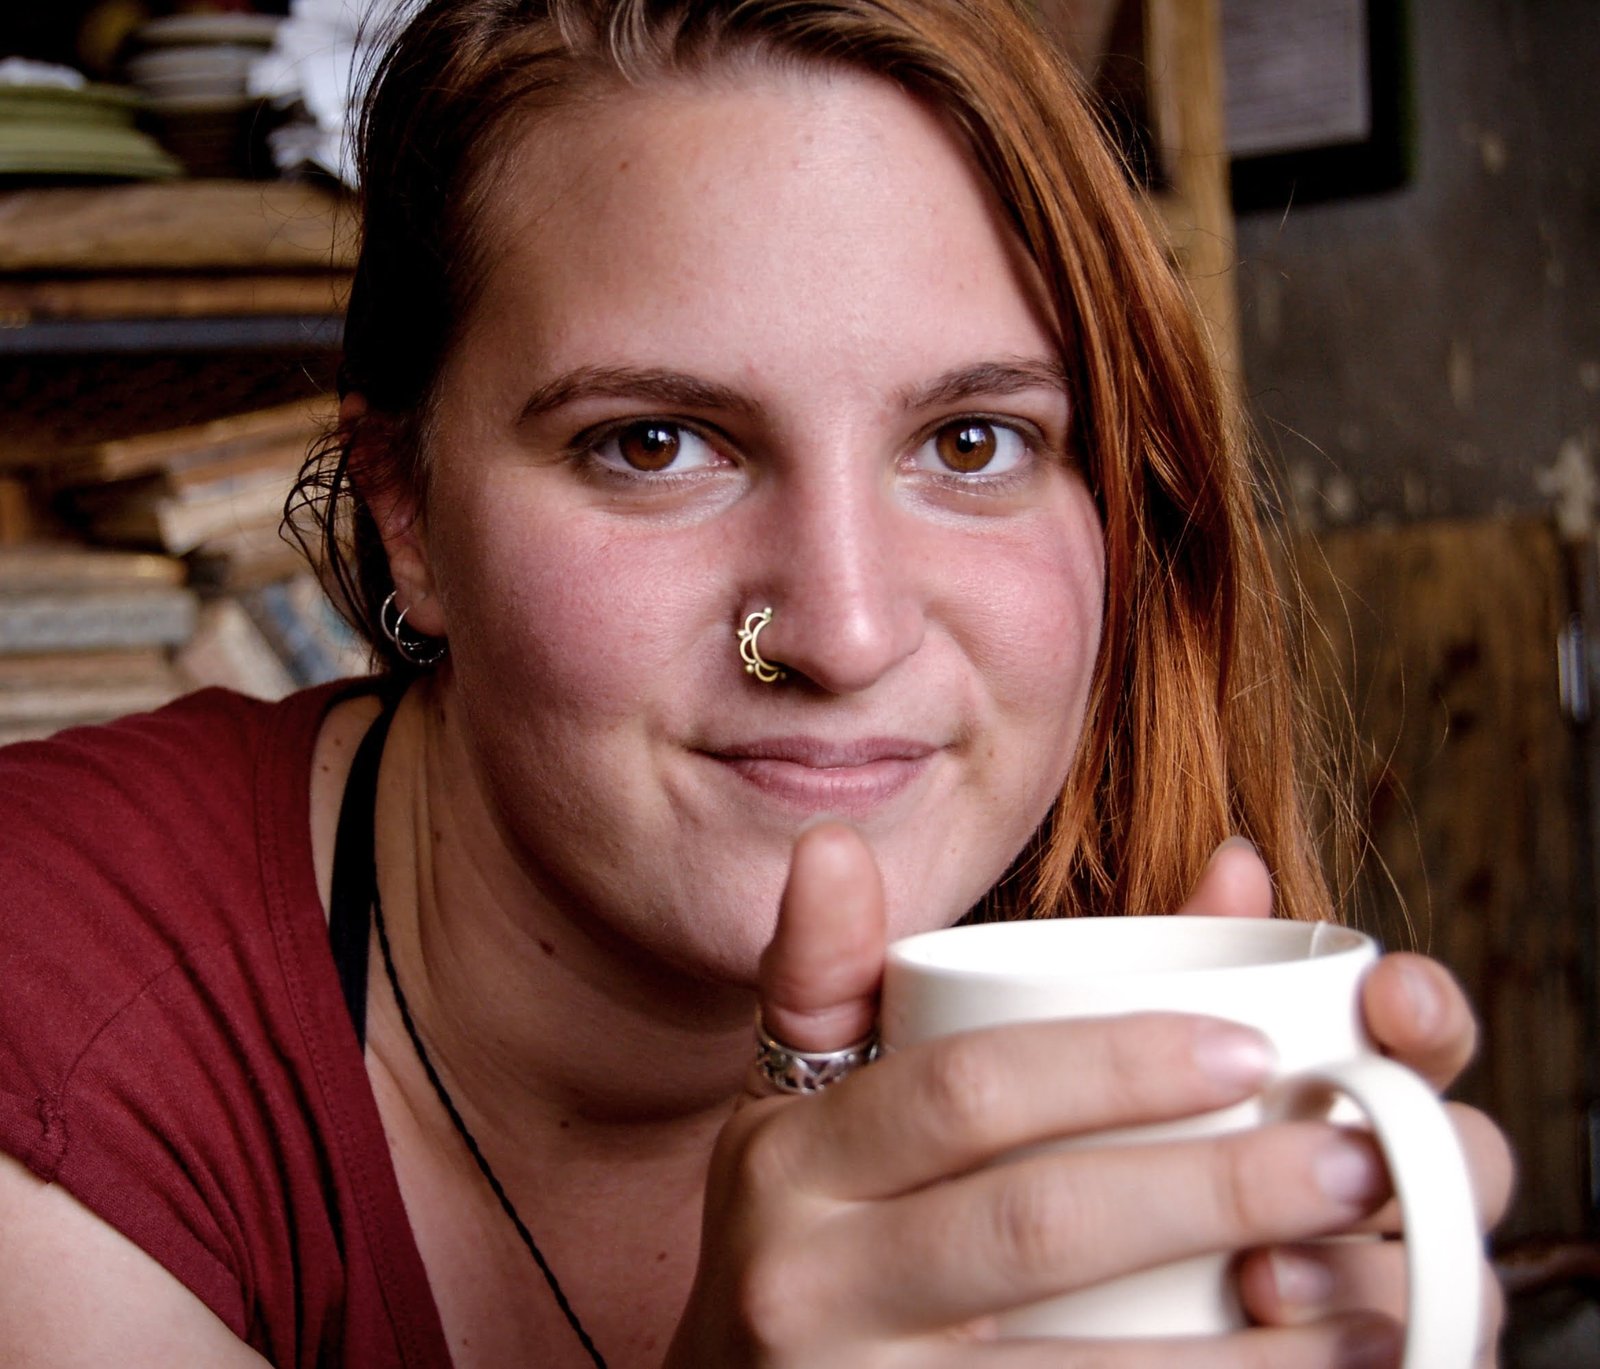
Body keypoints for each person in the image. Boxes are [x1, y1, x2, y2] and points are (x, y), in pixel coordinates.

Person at [0, 0, 1512, 1365]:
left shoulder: (1150, 947)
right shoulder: (55, 1017)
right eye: (654, 442)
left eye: (972, 441)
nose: (844, 635)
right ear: (410, 510)